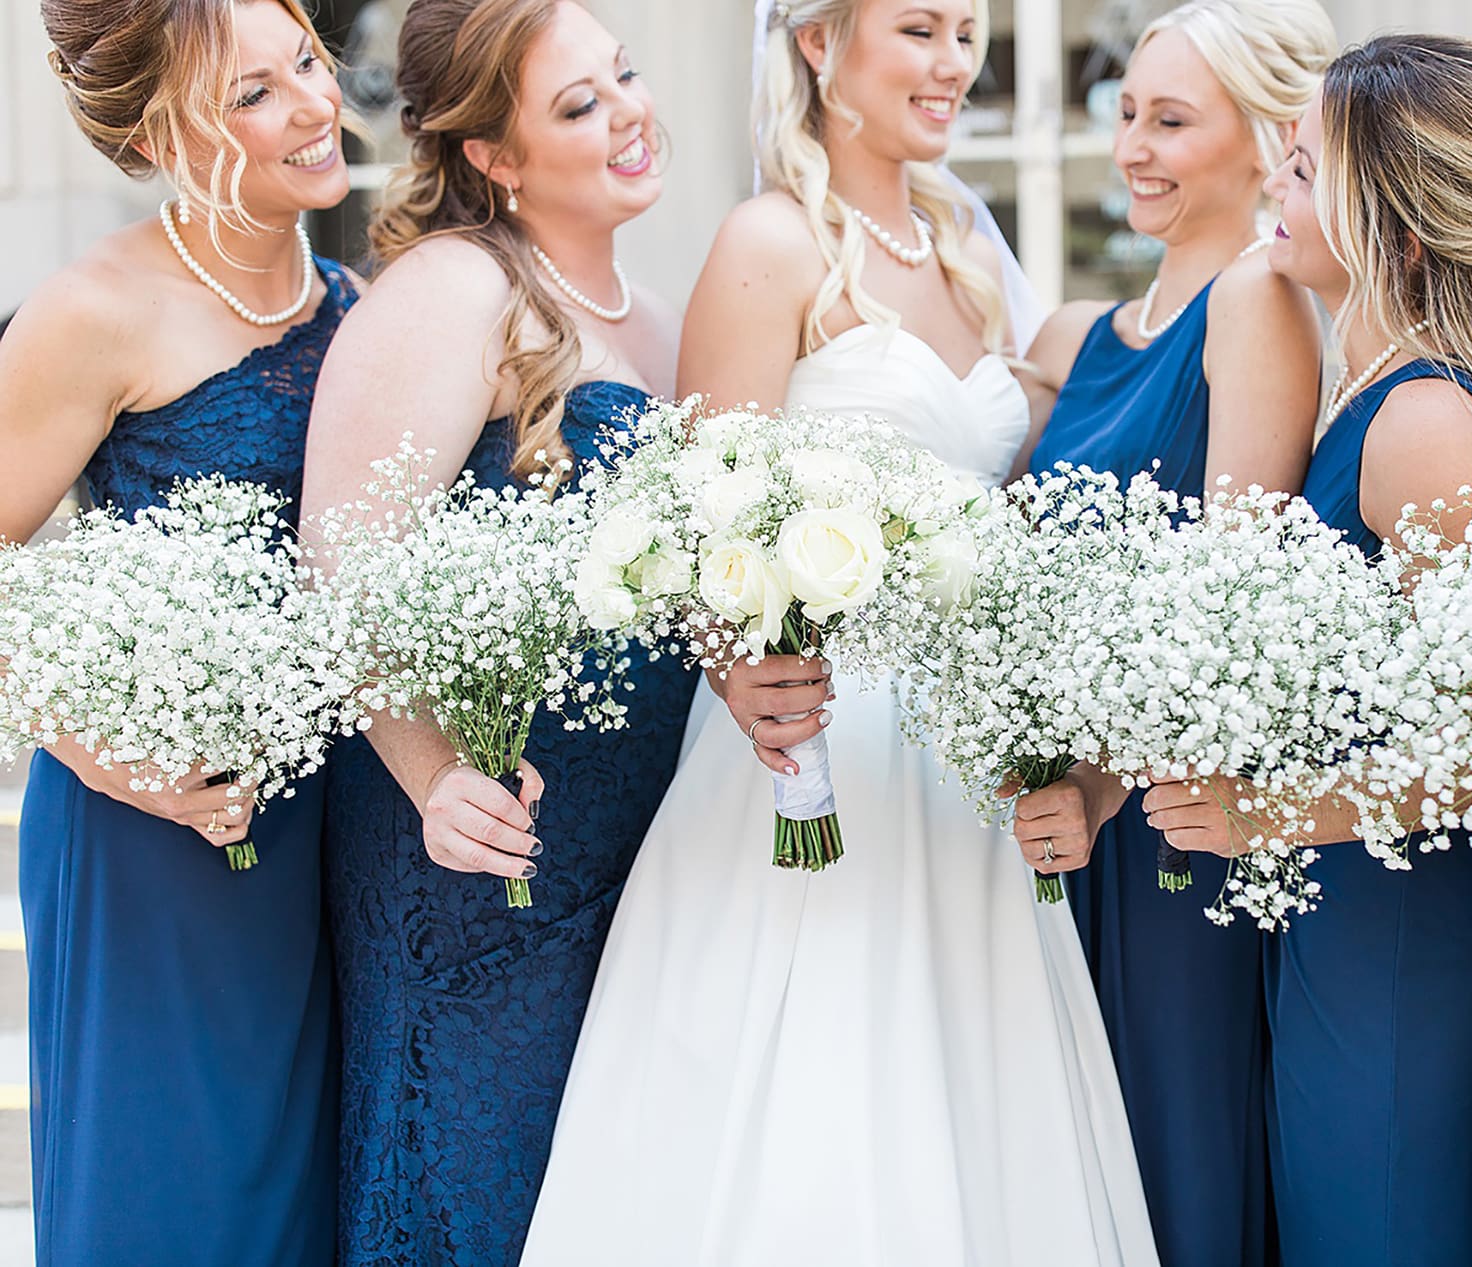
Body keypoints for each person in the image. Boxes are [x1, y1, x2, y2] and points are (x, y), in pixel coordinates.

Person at [522, 1, 1157, 1263]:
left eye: (967, 30)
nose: (955, 62)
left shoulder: (967, 242)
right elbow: (701, 516)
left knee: (974, 1111)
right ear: (819, 43)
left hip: (968, 763)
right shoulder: (770, 240)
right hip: (811, 746)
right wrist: (740, 672)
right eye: (919, 28)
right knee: (808, 1106)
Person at [1144, 33, 1472, 1265]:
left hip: (1404, 933)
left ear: (1393, 232)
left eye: (1303, 170)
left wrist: (1264, 817)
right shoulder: (1360, 391)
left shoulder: (1426, 422)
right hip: (1336, 909)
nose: (1276, 188)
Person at [297, 1, 697, 1261]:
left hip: (639, 856)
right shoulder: (454, 289)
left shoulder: (661, 317)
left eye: (623, 75)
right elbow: (338, 574)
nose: (629, 113)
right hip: (480, 854)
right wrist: (435, 778)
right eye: (579, 104)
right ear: (493, 155)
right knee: (476, 1186)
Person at [1, 1, 354, 1261]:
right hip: (154, 832)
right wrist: (105, 755)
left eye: (305, 61)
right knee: (174, 1207)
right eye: (252, 94)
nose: (313, 105)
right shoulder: (92, 312)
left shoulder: (362, 306)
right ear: (158, 135)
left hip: (336, 841)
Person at [1013, 2, 1331, 1260]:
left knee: (1174, 1162)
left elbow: (1234, 599)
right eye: (1126, 114)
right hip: (1059, 820)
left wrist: (1101, 779)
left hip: (1165, 822)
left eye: (1171, 121)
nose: (1132, 149)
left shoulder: (1255, 300)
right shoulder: (1081, 339)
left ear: (1268, 139)